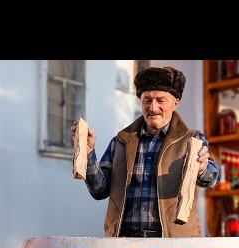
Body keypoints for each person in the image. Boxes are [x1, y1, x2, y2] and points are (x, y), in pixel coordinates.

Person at [71, 66, 220, 238]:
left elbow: (214, 177)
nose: (153, 107)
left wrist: (202, 169)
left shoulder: (192, 140)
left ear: (175, 102)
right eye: (147, 99)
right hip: (124, 244)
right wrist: (88, 153)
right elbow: (99, 191)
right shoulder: (120, 142)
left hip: (173, 246)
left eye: (160, 100)